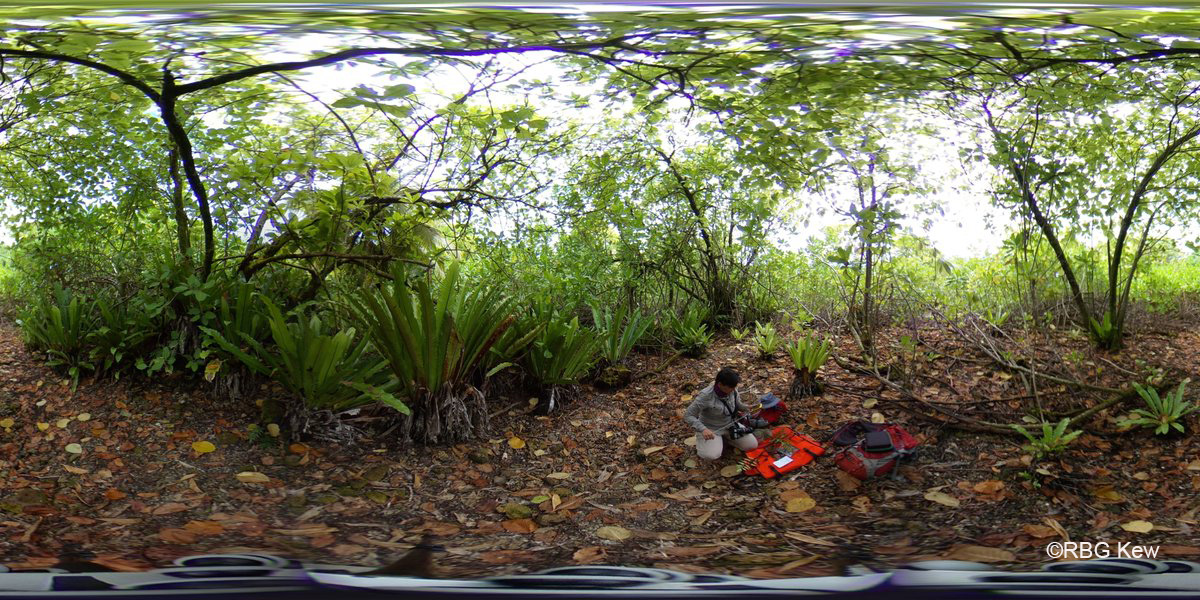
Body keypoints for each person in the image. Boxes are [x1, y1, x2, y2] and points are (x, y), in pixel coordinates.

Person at [684, 367, 760, 461]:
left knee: (752, 445)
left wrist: (745, 408)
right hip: (711, 429)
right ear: (720, 384)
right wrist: (703, 429)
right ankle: (705, 441)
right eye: (731, 388)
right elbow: (688, 415)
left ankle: (726, 439)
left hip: (730, 424)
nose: (733, 390)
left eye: (734, 387)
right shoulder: (706, 396)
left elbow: (737, 404)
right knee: (710, 455)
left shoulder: (732, 389)